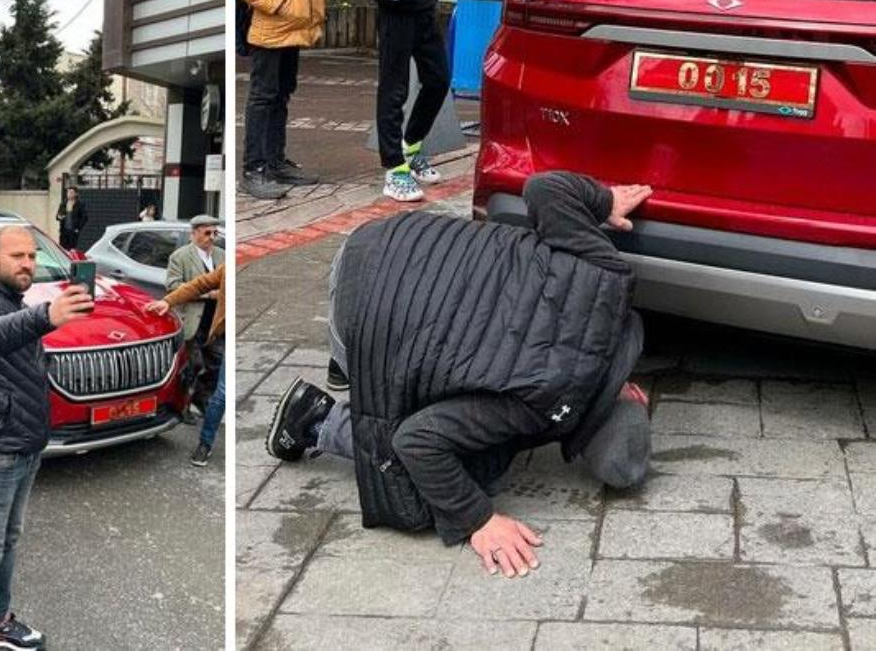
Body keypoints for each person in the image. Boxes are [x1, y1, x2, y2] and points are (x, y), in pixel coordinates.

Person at [266, 171, 655, 577]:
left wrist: (605, 200)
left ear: (629, 387)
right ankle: (316, 419)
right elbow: (416, 442)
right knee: (466, 473)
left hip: (384, 240)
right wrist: (479, 520)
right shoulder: (537, 405)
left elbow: (545, 188)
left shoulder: (607, 276)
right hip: (362, 321)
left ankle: (352, 369)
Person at [0, 226, 93, 651]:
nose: (27, 263)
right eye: (16, 256)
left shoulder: (14, 299)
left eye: (31, 255)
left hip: (22, 446)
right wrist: (48, 315)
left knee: (5, 543)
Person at [358, 0, 450, 202]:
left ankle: (410, 147)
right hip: (395, 12)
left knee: (438, 80)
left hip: (425, 10)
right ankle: (395, 168)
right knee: (394, 89)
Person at [237, 0, 327, 200]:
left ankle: (275, 163)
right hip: (270, 27)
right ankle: (253, 170)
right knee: (262, 98)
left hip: (293, 27)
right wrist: (276, 3)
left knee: (281, 95)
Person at [146, 264, 227, 466]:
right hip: (224, 337)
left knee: (220, 388)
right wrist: (168, 301)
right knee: (222, 394)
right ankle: (205, 444)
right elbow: (199, 284)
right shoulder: (227, 269)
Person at [166, 215, 225, 414]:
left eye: (215, 233)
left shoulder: (221, 255)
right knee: (191, 366)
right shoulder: (180, 256)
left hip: (214, 321)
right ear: (194, 234)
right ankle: (184, 408)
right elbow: (173, 285)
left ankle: (201, 397)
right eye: (207, 233)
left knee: (215, 364)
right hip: (192, 319)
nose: (211, 237)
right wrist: (209, 294)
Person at [55, 186, 87, 251]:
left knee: (72, 249)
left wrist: (78, 228)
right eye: (68, 192)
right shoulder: (63, 204)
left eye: (71, 192)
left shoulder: (80, 204)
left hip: (73, 231)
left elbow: (84, 217)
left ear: (76, 194)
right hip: (64, 230)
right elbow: (57, 216)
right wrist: (59, 217)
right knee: (62, 249)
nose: (69, 194)